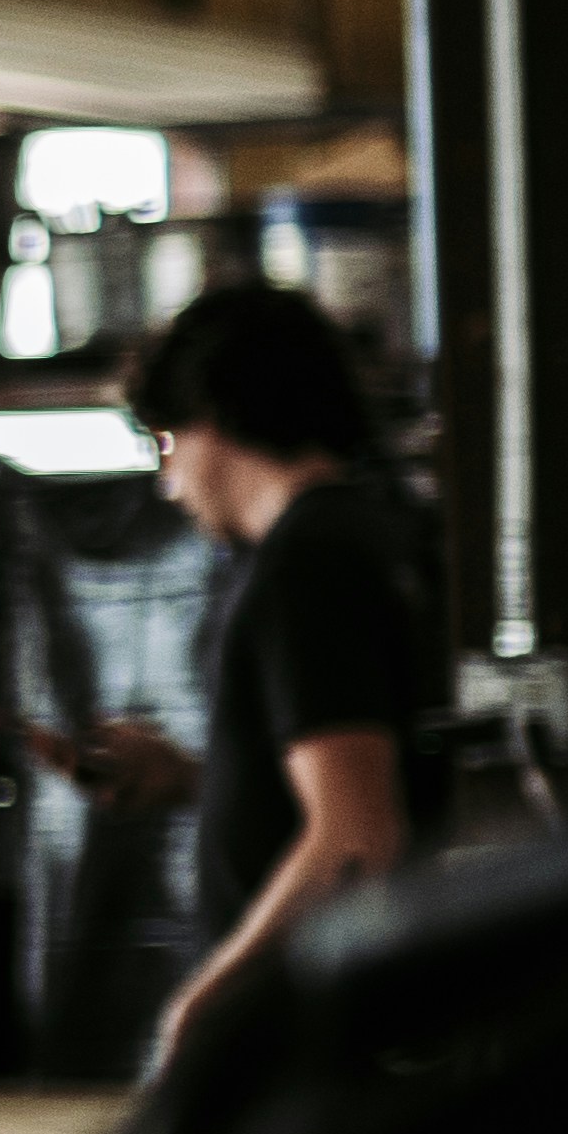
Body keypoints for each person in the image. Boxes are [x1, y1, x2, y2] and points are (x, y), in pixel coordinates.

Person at [81, 276, 436, 1066]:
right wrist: (199, 782)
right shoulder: (367, 536)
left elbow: (357, 833)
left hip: (315, 1037)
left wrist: (209, 1000)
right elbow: (352, 777)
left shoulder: (305, 565)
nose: (167, 484)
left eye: (166, 446)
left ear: (214, 420)